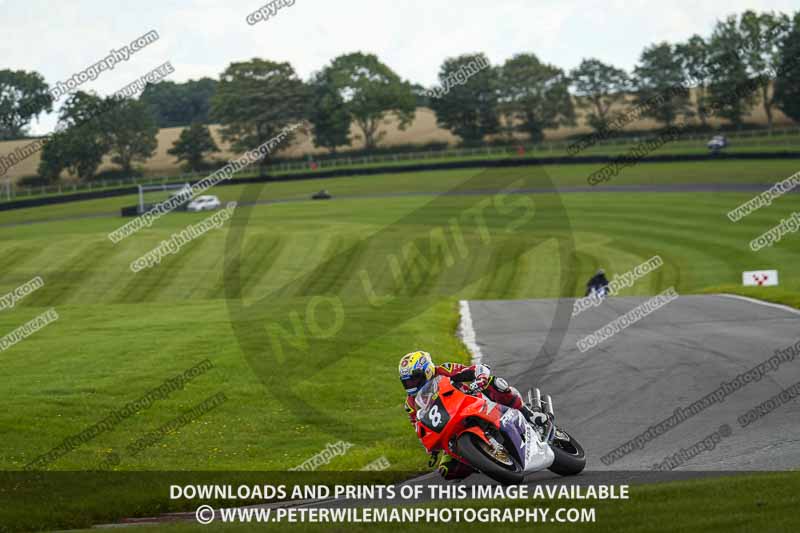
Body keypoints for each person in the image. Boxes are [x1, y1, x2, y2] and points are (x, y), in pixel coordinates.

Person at [398, 350, 545, 480]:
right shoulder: (410, 404)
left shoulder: (444, 370)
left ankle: (529, 414)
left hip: (473, 402)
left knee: (496, 384)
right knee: (447, 470)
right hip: (450, 426)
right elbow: (418, 425)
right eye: (407, 382)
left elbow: (475, 370)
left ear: (427, 370)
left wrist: (480, 378)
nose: (411, 384)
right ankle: (484, 460)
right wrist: (430, 445)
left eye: (415, 378)